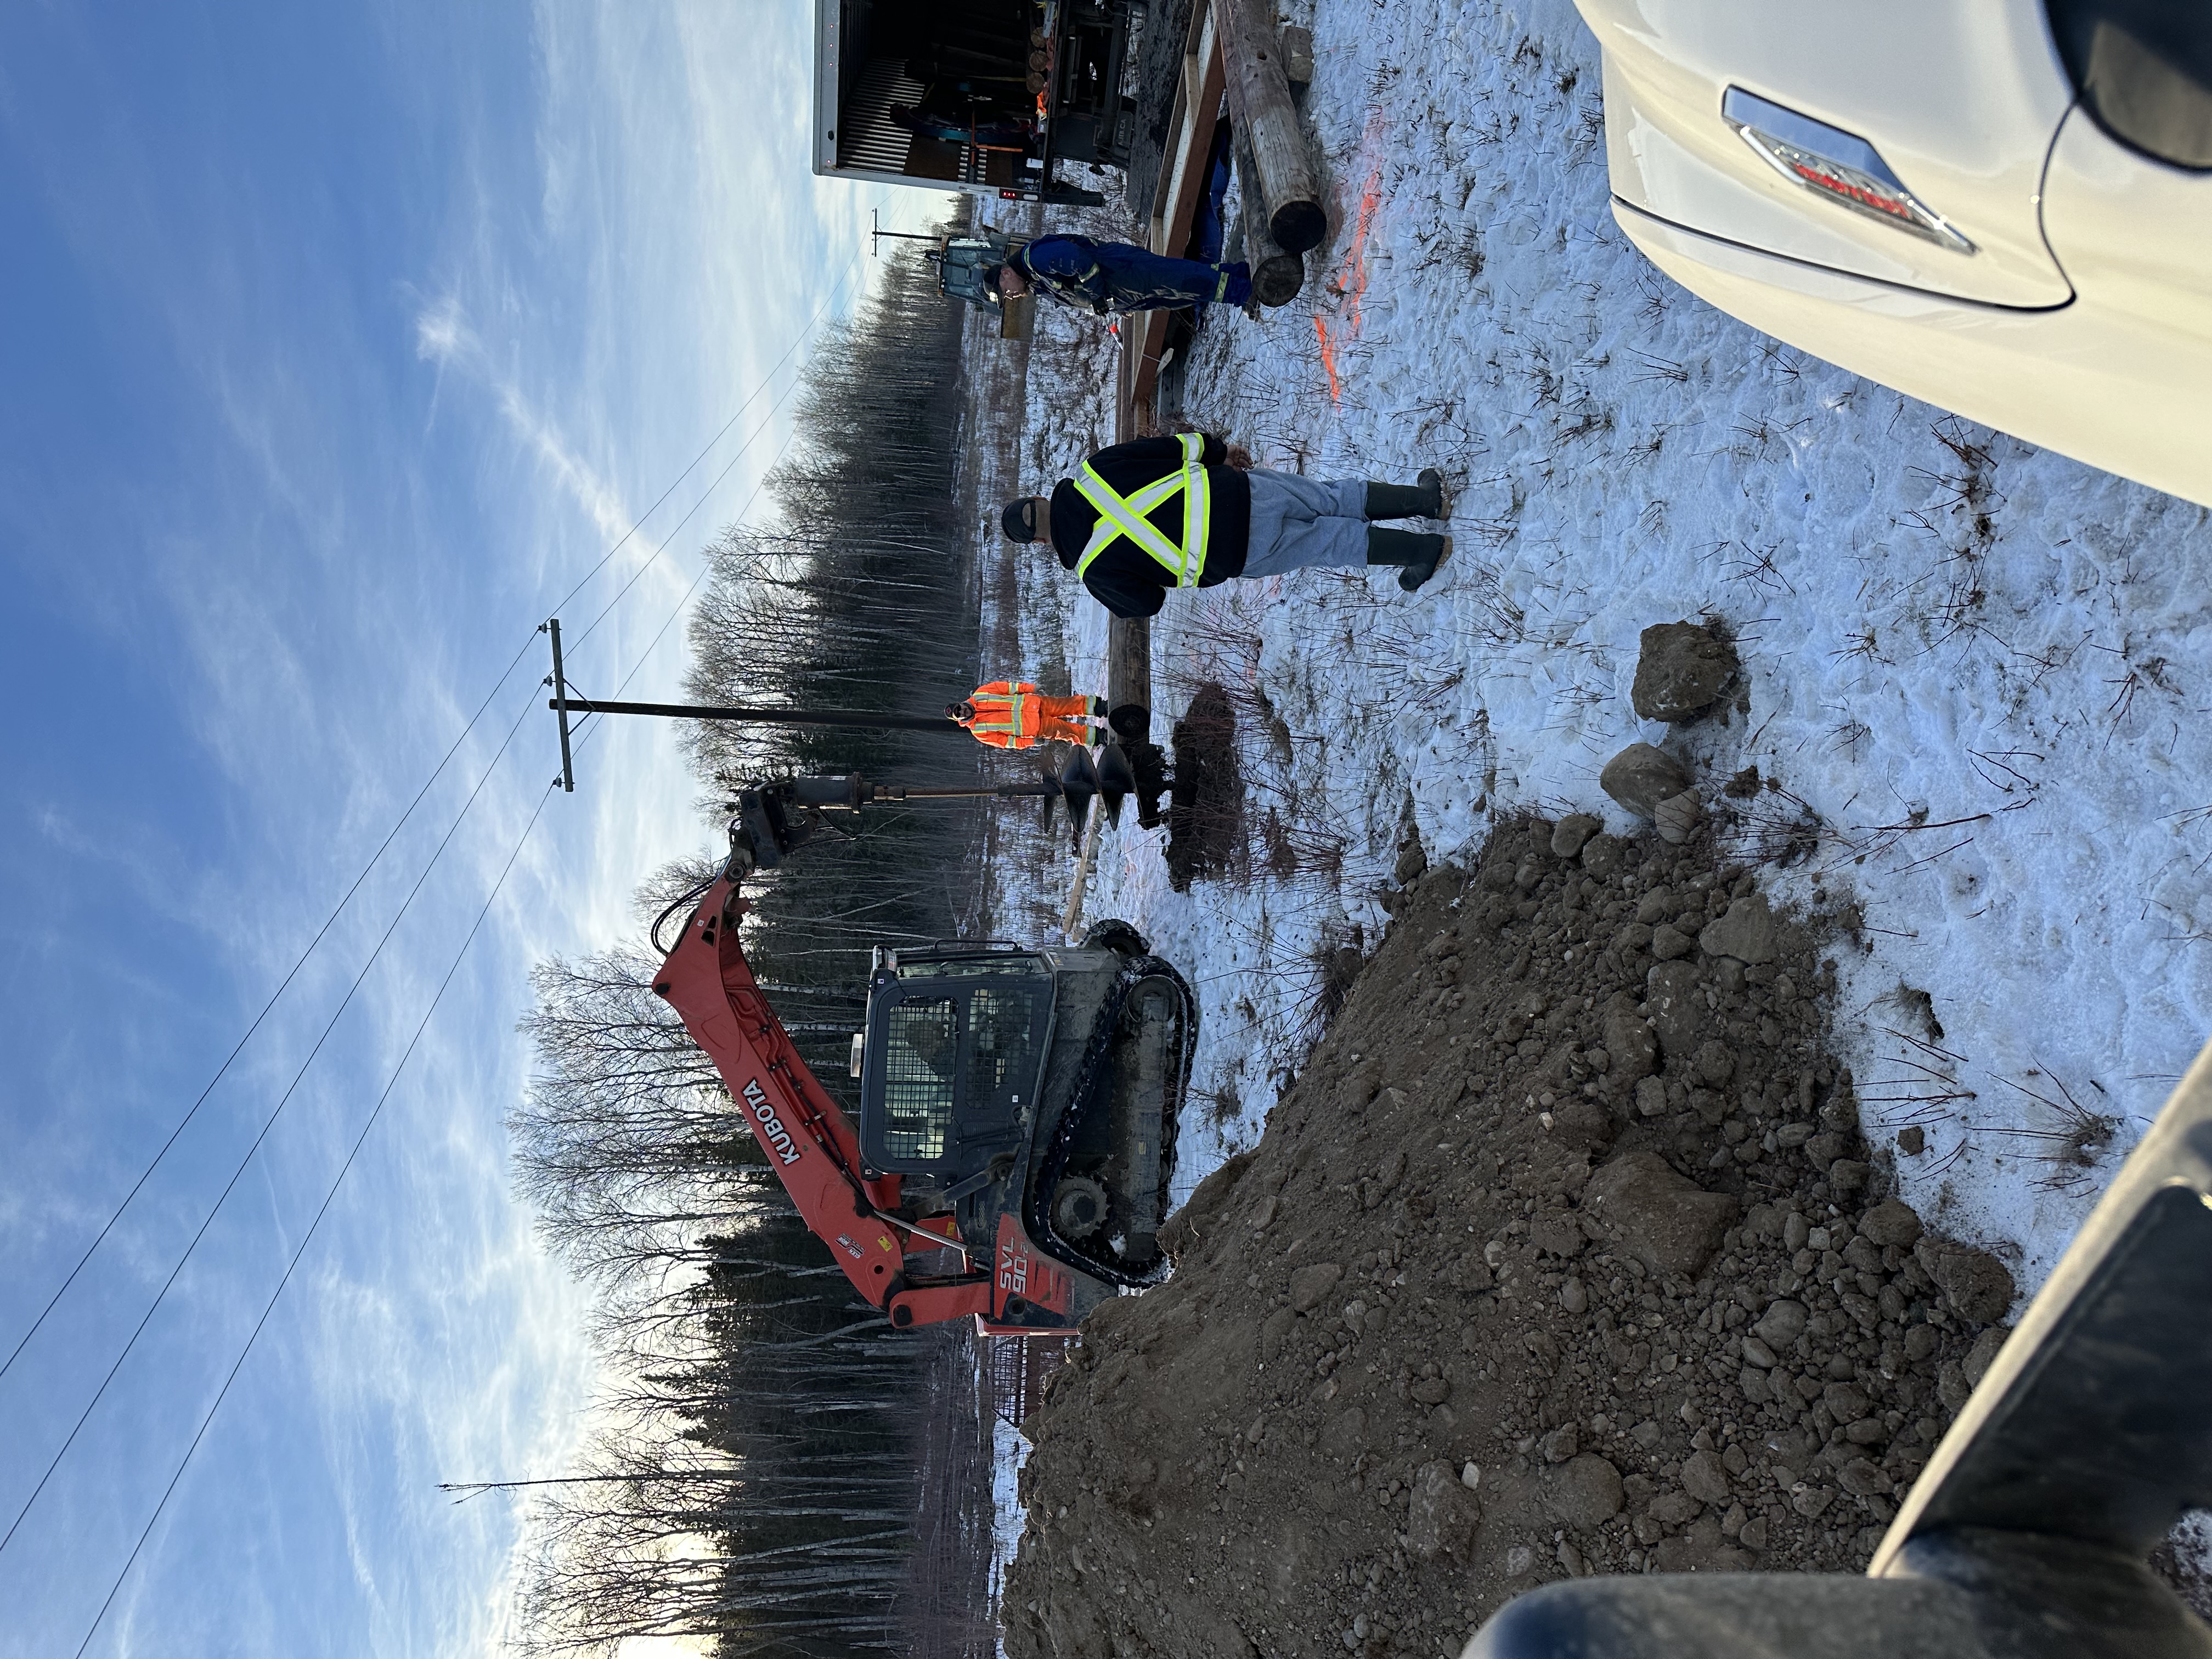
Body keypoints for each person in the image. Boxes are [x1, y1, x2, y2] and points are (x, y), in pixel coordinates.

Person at [998, 432, 1449, 619]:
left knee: (1328, 542)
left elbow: (1149, 602)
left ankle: (1419, 553)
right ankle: (1426, 500)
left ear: (1040, 541)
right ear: (1040, 498)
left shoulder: (1092, 571)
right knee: (1332, 497)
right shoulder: (1092, 471)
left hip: (1235, 551)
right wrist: (1218, 451)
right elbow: (1171, 448)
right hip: (1237, 490)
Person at [994, 235, 1251, 315]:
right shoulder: (1036, 281)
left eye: (1006, 290)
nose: (1013, 296)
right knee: (1186, 291)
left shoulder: (1035, 259)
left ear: (1006, 272)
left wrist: (1098, 296)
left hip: (1125, 270)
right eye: (1008, 298)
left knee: (1187, 281)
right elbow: (1076, 295)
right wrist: (1111, 306)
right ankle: (1244, 276)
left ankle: (1249, 293)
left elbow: (1080, 261)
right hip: (1127, 292)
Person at [949, 681, 1109, 750]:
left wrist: (1031, 688)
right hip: (1037, 727)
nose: (962, 712)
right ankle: (1100, 737)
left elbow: (1009, 687)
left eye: (959, 708)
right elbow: (1008, 742)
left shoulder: (980, 694)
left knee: (1069, 704)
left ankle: (1101, 707)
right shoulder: (978, 732)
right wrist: (1032, 742)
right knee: (1070, 732)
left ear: (960, 703)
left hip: (1035, 703)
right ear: (959, 720)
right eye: (959, 715)